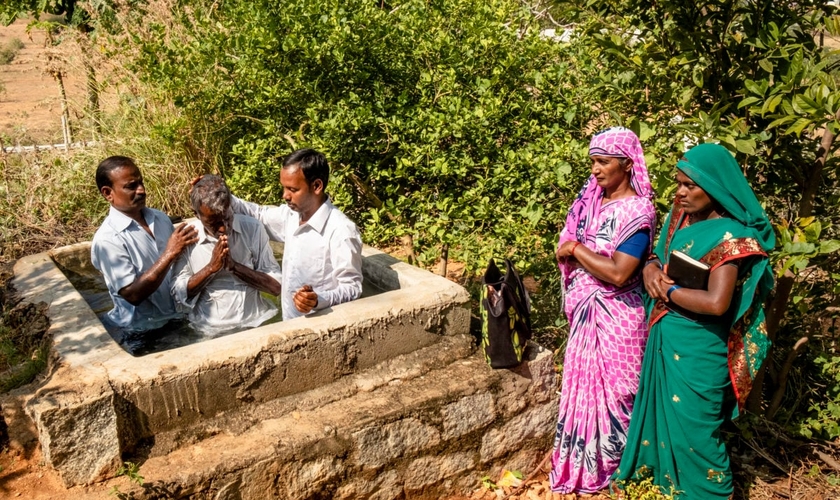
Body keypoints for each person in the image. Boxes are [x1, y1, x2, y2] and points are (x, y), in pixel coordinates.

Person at [613, 143, 775, 499]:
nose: (680, 193)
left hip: (700, 348)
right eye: (678, 183)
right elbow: (657, 254)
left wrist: (666, 292)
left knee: (698, 435)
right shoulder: (682, 217)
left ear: (714, 187)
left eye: (690, 186)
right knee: (665, 423)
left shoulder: (731, 237)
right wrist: (652, 269)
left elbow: (718, 304)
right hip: (667, 336)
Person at [550, 127, 657, 494]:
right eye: (592, 162)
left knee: (620, 392)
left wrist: (576, 249)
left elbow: (619, 272)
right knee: (583, 389)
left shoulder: (637, 212)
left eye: (603, 162)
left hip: (619, 317)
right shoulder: (591, 204)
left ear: (626, 165)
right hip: (586, 314)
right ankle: (583, 470)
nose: (595, 170)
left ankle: (619, 471)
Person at [228, 148, 363, 320]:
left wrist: (317, 300)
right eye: (284, 188)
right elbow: (258, 214)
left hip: (322, 331)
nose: (285, 195)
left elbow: (352, 288)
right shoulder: (291, 216)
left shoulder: (341, 231)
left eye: (292, 189)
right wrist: (223, 194)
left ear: (316, 186)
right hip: (289, 325)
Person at [91, 156, 198, 333]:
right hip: (142, 330)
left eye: (141, 183)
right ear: (108, 193)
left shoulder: (160, 218)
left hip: (177, 318)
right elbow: (133, 295)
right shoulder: (107, 240)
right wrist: (170, 252)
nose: (141, 190)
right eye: (131, 186)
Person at [171, 175, 283, 334]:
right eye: (214, 223)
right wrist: (210, 269)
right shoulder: (188, 238)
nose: (224, 228)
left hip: (258, 322)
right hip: (209, 329)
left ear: (231, 206)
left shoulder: (252, 229)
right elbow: (178, 295)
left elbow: (277, 286)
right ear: (196, 214)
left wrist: (235, 267)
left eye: (227, 219)